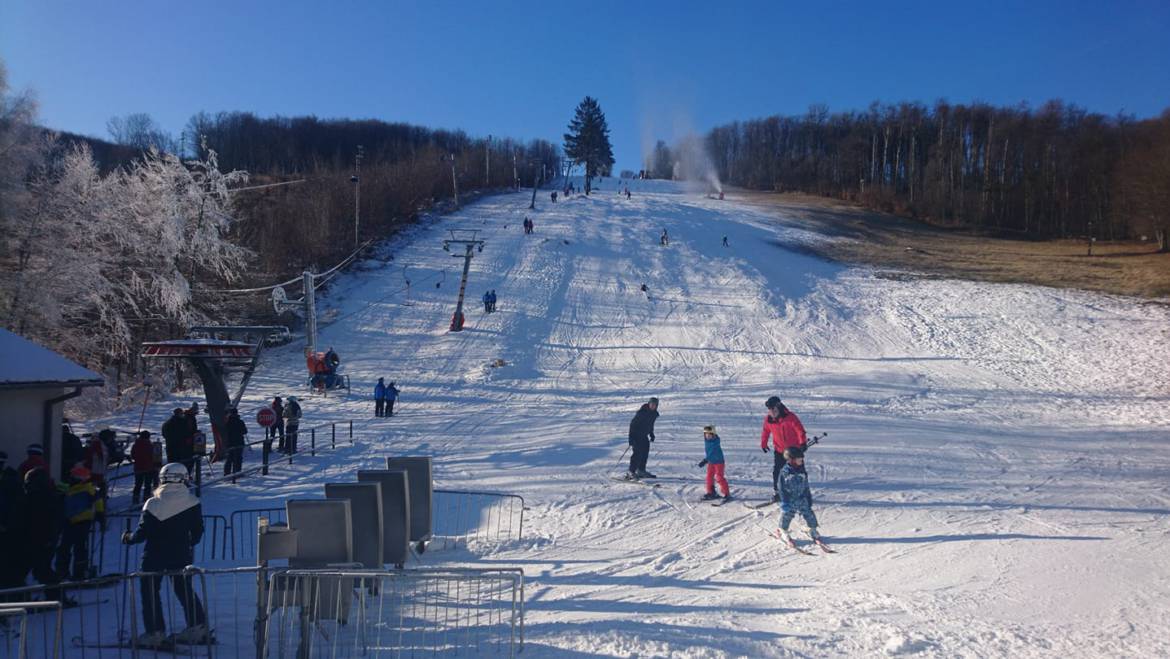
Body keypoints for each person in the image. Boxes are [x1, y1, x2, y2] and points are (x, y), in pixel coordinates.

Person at [122, 463, 209, 647]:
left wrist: (128, 538)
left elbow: (142, 533)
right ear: (184, 478)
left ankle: (155, 632)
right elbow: (198, 531)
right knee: (184, 589)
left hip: (154, 555)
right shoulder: (192, 502)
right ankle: (198, 627)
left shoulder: (153, 503)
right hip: (180, 554)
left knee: (150, 592)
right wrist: (188, 543)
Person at [21, 467, 66, 599]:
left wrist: (50, 538)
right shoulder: (38, 496)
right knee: (33, 569)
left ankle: (57, 596)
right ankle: (21, 597)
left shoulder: (45, 497)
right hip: (35, 539)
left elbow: (52, 520)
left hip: (42, 540)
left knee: (42, 569)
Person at [57, 465, 103, 581]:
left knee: (79, 548)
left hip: (83, 521)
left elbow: (98, 501)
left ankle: (79, 573)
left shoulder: (88, 489)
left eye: (73, 476)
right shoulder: (71, 489)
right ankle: (62, 572)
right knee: (65, 548)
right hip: (70, 521)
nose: (70, 478)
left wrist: (100, 514)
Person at [760, 396, 808, 503]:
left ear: (779, 407)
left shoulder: (790, 417)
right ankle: (778, 491)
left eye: (774, 410)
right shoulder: (768, 419)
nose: (772, 412)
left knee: (799, 471)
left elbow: (800, 430)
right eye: (770, 410)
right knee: (778, 471)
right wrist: (763, 443)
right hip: (779, 450)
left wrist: (802, 443)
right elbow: (765, 431)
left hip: (794, 450)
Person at [776, 446, 822, 545]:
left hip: (802, 497)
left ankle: (812, 529)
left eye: (801, 459)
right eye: (799, 459)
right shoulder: (785, 472)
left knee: (809, 513)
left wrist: (808, 497)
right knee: (787, 515)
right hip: (790, 499)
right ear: (791, 460)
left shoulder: (802, 470)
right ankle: (782, 530)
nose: (801, 461)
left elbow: (806, 485)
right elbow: (781, 488)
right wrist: (784, 501)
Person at [626, 397, 660, 479]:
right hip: (636, 436)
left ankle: (641, 470)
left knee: (645, 454)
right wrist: (631, 438)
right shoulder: (642, 413)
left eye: (654, 405)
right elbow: (633, 425)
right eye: (651, 404)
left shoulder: (654, 414)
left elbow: (650, 425)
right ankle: (631, 471)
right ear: (649, 404)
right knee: (637, 454)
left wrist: (651, 434)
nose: (653, 406)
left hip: (644, 436)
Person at [697, 425, 730, 501]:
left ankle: (727, 493)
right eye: (706, 434)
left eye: (709, 434)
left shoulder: (715, 442)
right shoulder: (707, 441)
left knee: (719, 477)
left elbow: (712, 453)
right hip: (711, 462)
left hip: (719, 462)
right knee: (709, 477)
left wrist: (705, 460)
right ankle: (711, 492)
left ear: (713, 434)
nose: (707, 436)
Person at [131, 431, 159, 504]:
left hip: (138, 468)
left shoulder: (136, 445)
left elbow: (133, 455)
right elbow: (153, 456)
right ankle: (146, 499)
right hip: (148, 468)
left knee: (138, 484)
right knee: (147, 485)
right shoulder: (149, 445)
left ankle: (135, 499)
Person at [222, 408, 247, 478]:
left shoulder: (227, 422)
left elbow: (225, 432)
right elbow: (245, 431)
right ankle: (237, 472)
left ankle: (227, 473)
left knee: (230, 458)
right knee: (238, 458)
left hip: (230, 443)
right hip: (239, 442)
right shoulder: (240, 422)